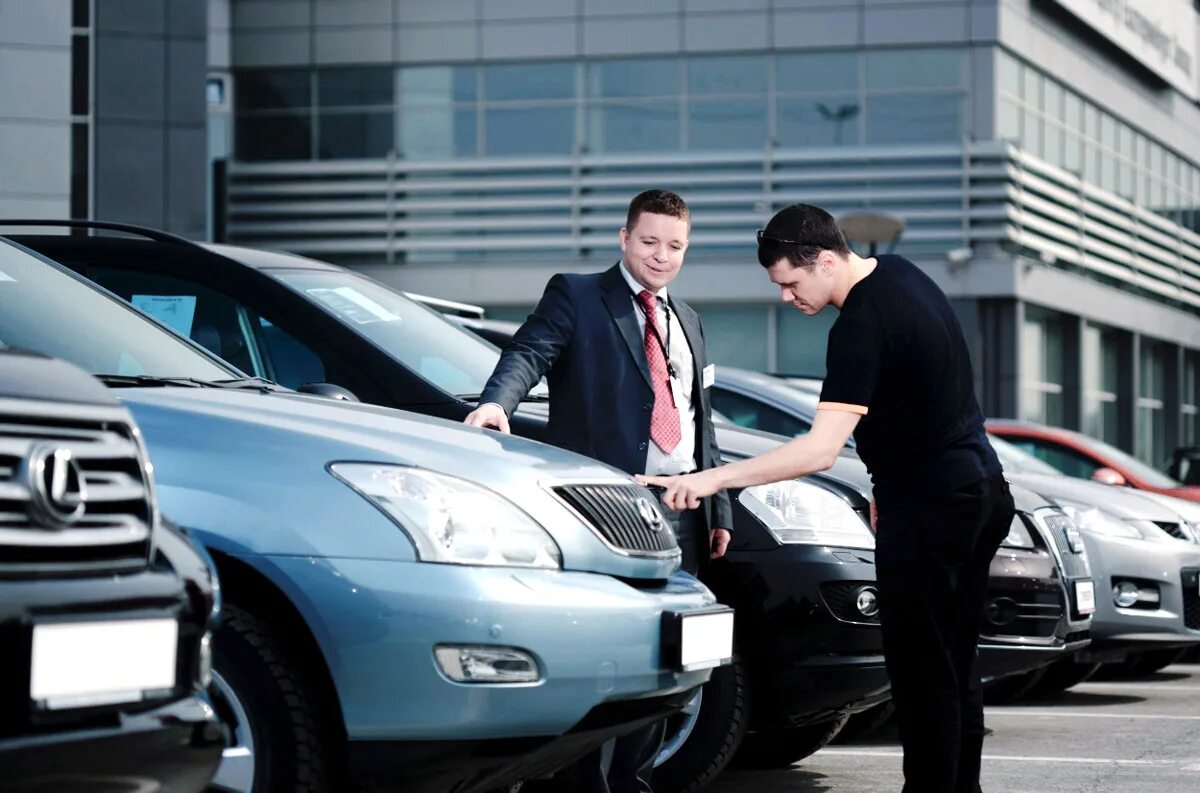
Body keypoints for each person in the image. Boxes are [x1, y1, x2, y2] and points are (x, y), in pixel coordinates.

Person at [641, 203, 1014, 793]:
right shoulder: (902, 274)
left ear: (824, 259)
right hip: (981, 494)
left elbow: (817, 452)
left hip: (933, 510)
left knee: (922, 674)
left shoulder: (859, 325)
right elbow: (922, 399)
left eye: (791, 282)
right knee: (954, 664)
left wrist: (711, 479)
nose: (788, 298)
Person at [464, 188, 733, 793]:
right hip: (607, 510)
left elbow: (699, 419)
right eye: (649, 242)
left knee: (670, 661)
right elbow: (528, 351)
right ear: (623, 237)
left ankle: (632, 782)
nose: (661, 257)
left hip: (681, 509)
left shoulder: (688, 319)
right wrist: (495, 404)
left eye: (675, 246)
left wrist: (719, 505)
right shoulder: (579, 295)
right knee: (604, 656)